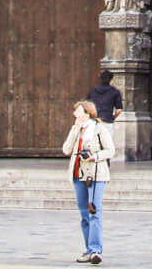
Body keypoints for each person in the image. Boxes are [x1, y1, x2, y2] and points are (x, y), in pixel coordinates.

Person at [62, 97, 113, 265]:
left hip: (96, 174)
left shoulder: (99, 129)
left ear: (87, 113)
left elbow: (110, 151)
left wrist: (94, 157)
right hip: (78, 175)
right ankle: (88, 249)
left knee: (94, 211)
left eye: (78, 111)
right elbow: (66, 150)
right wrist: (74, 131)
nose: (74, 114)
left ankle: (96, 250)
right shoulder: (76, 129)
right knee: (84, 214)